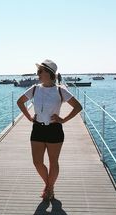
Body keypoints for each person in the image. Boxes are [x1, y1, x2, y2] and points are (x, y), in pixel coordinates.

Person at [17, 59, 82, 201]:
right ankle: (48, 185)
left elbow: (78, 107)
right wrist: (29, 117)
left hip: (54, 130)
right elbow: (20, 101)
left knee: (53, 162)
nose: (38, 74)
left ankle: (49, 188)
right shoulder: (34, 89)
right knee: (37, 162)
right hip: (38, 129)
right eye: (38, 71)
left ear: (50, 73)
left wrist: (63, 119)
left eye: (41, 71)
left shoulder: (60, 90)